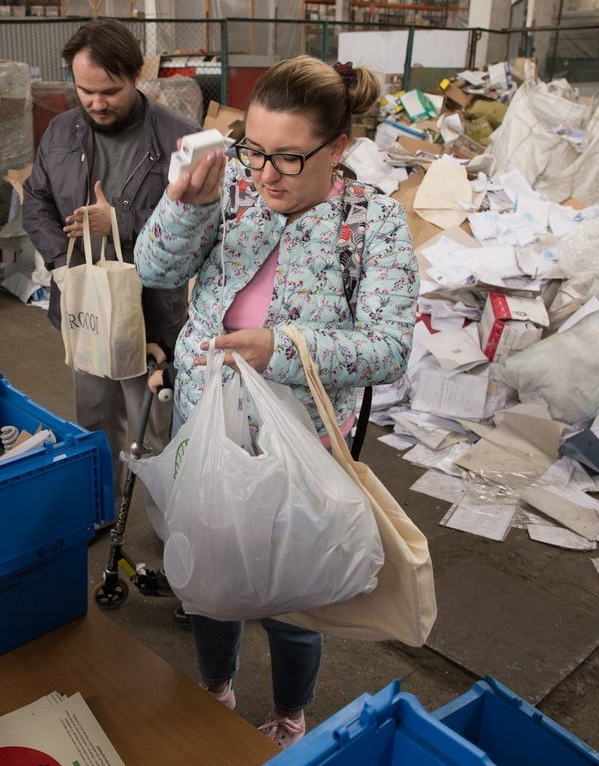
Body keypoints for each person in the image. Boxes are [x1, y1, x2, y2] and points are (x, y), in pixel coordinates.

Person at [134, 56, 418, 747]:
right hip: (209, 432)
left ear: (340, 149)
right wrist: (183, 205)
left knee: (294, 602)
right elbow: (153, 270)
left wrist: (282, 348)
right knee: (209, 584)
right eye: (254, 151)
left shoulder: (372, 224)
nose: (267, 175)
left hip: (304, 452)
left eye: (290, 158)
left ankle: (290, 713)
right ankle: (215, 685)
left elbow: (389, 347)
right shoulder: (230, 193)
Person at [24, 19, 198, 513]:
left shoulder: (180, 141)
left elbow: (199, 224)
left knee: (154, 429)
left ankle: (170, 531)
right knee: (95, 418)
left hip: (150, 315)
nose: (96, 103)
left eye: (110, 91)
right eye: (85, 91)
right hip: (85, 310)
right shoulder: (61, 130)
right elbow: (36, 199)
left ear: (137, 73)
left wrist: (116, 220)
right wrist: (64, 265)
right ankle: (101, 511)